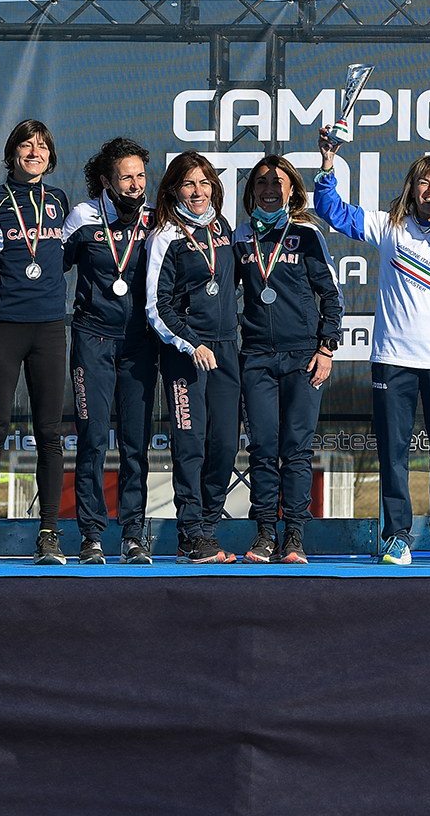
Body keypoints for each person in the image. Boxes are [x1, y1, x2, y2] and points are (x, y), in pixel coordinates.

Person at [315, 127, 430, 566]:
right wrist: (328, 163)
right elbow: (332, 211)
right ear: (412, 188)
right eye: (424, 182)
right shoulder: (391, 226)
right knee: (393, 454)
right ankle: (397, 537)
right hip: (393, 359)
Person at [0, 120, 70, 566]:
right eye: (26, 145)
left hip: (50, 329)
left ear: (51, 156)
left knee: (50, 434)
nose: (35, 152)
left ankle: (49, 534)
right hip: (3, 327)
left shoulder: (59, 201)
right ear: (12, 153)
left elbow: (66, 256)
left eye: (42, 146)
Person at [233, 156, 343, 564]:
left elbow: (331, 295)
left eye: (277, 182)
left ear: (292, 190)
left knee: (296, 450)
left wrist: (326, 347)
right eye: (261, 183)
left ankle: (294, 534)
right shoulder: (239, 237)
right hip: (256, 357)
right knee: (263, 449)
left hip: (303, 358)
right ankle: (265, 532)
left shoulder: (306, 234)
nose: (269, 190)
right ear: (251, 191)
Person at [61, 138, 158, 565]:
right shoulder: (83, 217)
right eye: (126, 177)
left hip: (140, 344)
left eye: (141, 176)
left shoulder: (156, 219)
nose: (136, 185)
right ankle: (91, 535)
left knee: (136, 443)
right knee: (93, 439)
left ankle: (133, 534)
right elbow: (50, 266)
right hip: (93, 340)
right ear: (106, 181)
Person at [145, 152, 241, 565]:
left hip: (226, 349)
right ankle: (191, 534)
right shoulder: (165, 236)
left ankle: (208, 528)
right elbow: (156, 305)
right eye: (189, 183)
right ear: (173, 190)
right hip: (188, 355)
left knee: (225, 445)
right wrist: (191, 343)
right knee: (191, 445)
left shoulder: (223, 228)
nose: (198, 191)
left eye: (204, 182)